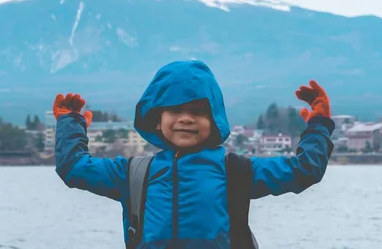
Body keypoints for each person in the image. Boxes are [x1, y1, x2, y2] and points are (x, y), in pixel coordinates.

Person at [54, 60, 335, 248]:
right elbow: (74, 169)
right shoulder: (132, 174)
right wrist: (70, 125)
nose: (186, 119)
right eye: (175, 110)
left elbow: (304, 170)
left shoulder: (237, 171)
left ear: (215, 121)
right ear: (156, 119)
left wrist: (319, 125)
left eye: (199, 112)